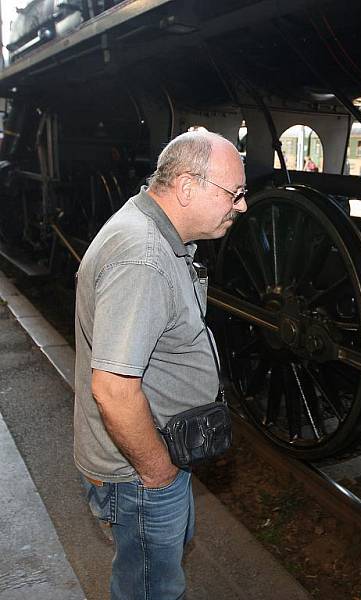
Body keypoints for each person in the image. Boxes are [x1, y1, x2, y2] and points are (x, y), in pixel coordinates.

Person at [73, 130, 247, 600]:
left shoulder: (151, 229)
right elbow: (112, 389)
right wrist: (158, 474)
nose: (242, 206)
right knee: (151, 590)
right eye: (235, 194)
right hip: (139, 471)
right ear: (187, 188)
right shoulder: (144, 257)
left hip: (156, 451)